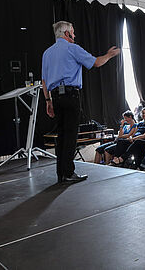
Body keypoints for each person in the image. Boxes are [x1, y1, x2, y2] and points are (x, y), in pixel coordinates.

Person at [41, 21, 120, 183]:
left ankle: (61, 174)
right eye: (73, 33)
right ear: (67, 34)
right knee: (70, 135)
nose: (75, 36)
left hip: (55, 96)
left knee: (61, 136)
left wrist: (48, 101)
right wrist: (110, 55)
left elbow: (44, 80)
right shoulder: (72, 48)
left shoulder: (47, 53)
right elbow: (96, 63)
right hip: (71, 96)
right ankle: (68, 172)